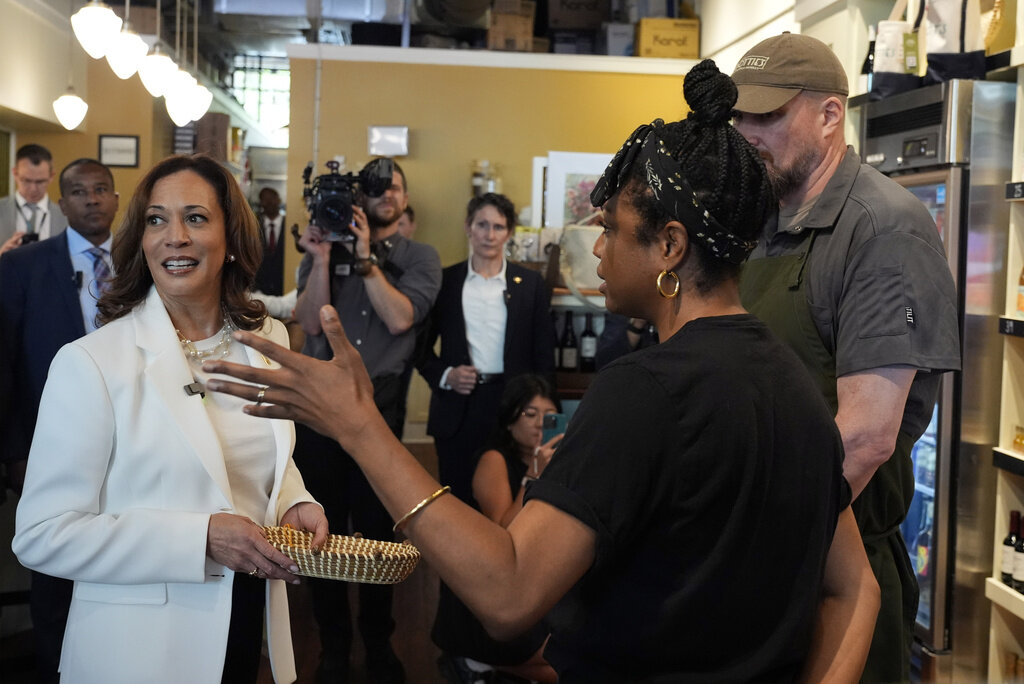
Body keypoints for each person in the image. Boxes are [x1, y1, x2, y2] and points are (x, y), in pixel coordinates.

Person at [206, 60, 879, 683]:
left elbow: (507, 593)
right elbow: (855, 590)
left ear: (670, 246)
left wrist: (359, 427)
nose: (597, 249)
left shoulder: (645, 390)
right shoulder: (797, 382)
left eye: (611, 228)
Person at [11, 154, 328, 684]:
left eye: (196, 218)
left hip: (247, 618)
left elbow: (260, 452)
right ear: (140, 238)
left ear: (231, 237)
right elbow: (42, 535)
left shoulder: (267, 340)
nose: (173, 236)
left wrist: (294, 498)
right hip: (139, 649)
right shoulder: (91, 361)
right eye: (157, 220)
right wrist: (200, 538)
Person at [731, 33, 960, 683]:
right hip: (756, 564)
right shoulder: (762, 220)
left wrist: (751, 542)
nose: (747, 132)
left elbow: (864, 438)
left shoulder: (885, 229)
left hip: (829, 569)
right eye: (740, 115)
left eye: (768, 116)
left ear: (831, 115)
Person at [293, 157, 441, 684]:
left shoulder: (419, 256)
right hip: (321, 411)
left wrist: (364, 260)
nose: (385, 195)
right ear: (358, 197)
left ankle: (379, 643)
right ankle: (333, 646)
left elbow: (402, 317)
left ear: (403, 198)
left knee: (378, 532)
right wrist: (321, 259)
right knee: (323, 532)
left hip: (382, 408)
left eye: (393, 186)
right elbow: (309, 321)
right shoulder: (320, 246)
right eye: (373, 188)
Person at [0, 157, 118, 682]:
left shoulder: (146, 260)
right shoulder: (23, 266)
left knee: (118, 557)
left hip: (131, 440)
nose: (91, 199)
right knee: (55, 573)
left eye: (101, 189)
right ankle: (55, 670)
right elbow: (6, 364)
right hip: (49, 444)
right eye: (78, 191)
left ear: (116, 198)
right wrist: (15, 451)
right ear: (60, 202)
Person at [417, 192, 555, 504]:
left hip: (513, 407)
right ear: (468, 227)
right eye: (482, 225)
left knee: (512, 496)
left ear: (509, 232)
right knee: (456, 497)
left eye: (498, 226)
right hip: (458, 406)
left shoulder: (530, 284)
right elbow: (419, 349)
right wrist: (446, 375)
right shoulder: (445, 281)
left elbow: (543, 354)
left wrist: (544, 415)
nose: (489, 235)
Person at [433, 374, 561, 684]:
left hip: (534, 582)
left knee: (567, 662)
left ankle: (478, 666)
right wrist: (534, 474)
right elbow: (505, 532)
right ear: (509, 420)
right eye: (529, 414)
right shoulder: (495, 460)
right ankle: (472, 660)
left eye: (549, 416)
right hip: (489, 587)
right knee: (560, 665)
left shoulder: (557, 462)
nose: (539, 423)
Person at [0, 144, 68, 254]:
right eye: (26, 181)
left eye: (40, 182)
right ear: (15, 173)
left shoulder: (66, 217)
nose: (33, 189)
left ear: (51, 176)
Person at [254, 187, 286, 296]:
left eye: (272, 198)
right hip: (259, 290)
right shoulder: (254, 226)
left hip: (284, 287)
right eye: (265, 199)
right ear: (261, 203)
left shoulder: (289, 225)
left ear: (278, 200)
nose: (269, 203)